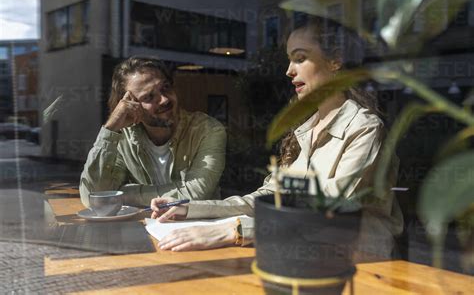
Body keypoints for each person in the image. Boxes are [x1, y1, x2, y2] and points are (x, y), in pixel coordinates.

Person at [150, 17, 403, 259]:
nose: (288, 71)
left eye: (300, 58)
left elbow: (328, 211)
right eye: (289, 60)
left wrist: (235, 230)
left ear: (335, 60)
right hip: (297, 255)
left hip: (358, 269)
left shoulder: (365, 128)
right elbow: (268, 198)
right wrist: (191, 208)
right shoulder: (306, 128)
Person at [79, 56, 226, 207]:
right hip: (145, 227)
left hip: (198, 226)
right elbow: (93, 197)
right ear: (129, 105)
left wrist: (122, 194)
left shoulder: (207, 130)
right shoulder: (122, 137)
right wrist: (110, 128)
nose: (164, 100)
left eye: (165, 88)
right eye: (149, 97)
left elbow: (196, 195)